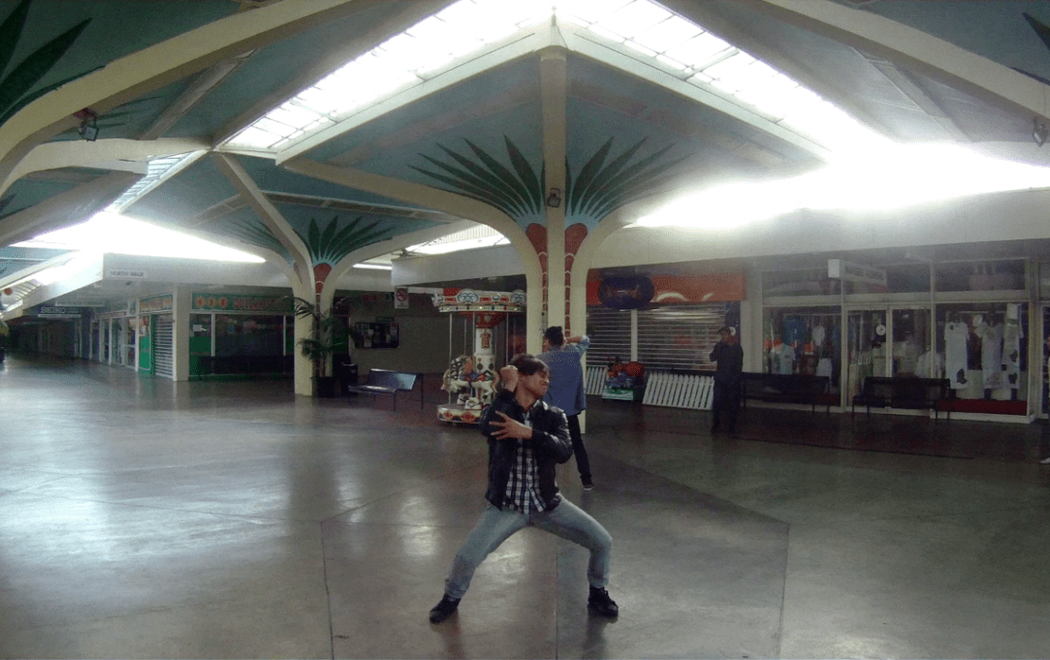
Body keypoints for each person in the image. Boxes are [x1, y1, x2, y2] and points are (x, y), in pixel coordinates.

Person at [428, 354, 618, 624]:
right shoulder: (501, 409)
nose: (546, 380)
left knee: (602, 541)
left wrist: (529, 433)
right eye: (541, 374)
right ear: (521, 376)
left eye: (548, 376)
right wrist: (507, 390)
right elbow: (486, 426)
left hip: (547, 504)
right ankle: (450, 599)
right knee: (467, 557)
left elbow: (565, 451)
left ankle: (598, 593)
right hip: (506, 506)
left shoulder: (553, 416)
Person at [538, 326, 594, 489]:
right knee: (577, 444)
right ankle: (587, 480)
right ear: (562, 339)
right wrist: (568, 341)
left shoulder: (541, 359)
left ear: (547, 341)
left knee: (545, 446)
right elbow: (585, 339)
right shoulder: (573, 354)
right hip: (570, 412)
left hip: (549, 412)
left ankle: (546, 482)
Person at [709, 326, 744, 435]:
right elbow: (712, 358)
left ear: (730, 335)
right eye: (722, 335)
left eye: (725, 334)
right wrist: (718, 348)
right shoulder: (719, 346)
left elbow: (739, 365)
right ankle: (716, 424)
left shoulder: (737, 348)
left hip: (732, 381)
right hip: (720, 380)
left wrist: (735, 379)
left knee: (732, 405)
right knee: (717, 403)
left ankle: (731, 427)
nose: (723, 337)